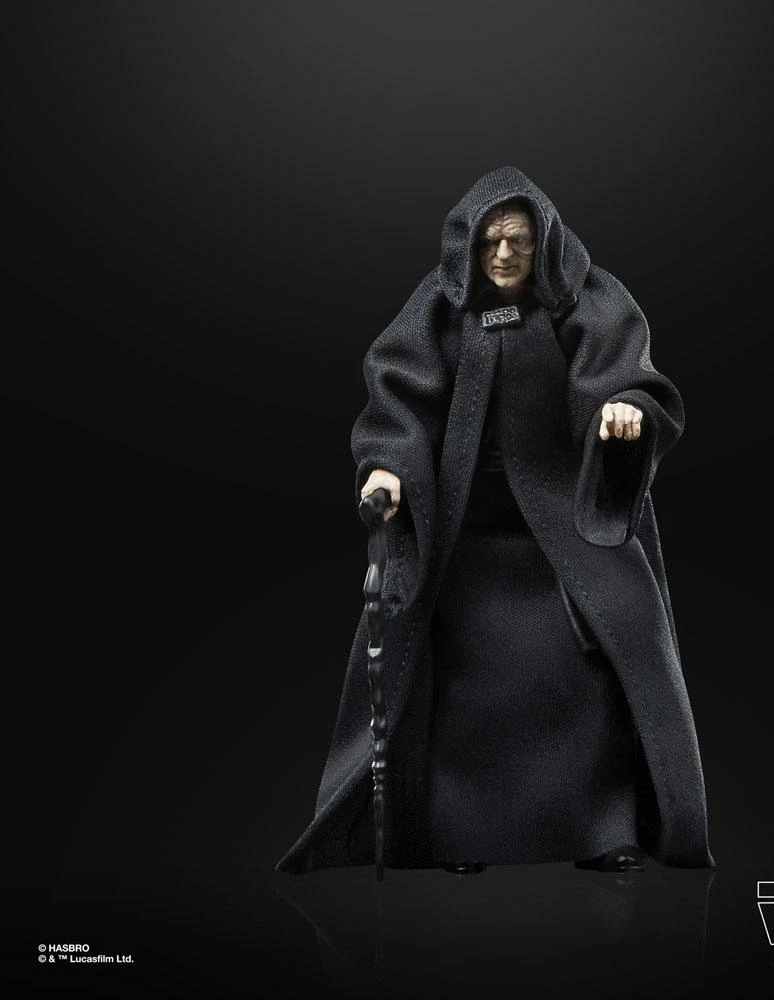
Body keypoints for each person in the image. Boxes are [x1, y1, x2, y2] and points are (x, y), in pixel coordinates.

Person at [277, 166, 713, 876]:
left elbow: (622, 374)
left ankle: (605, 832)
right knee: (457, 686)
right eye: (490, 243)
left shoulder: (588, 302)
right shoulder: (440, 309)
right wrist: (386, 466)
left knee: (594, 677)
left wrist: (622, 411)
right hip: (464, 540)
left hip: (566, 535)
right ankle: (457, 839)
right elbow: (400, 397)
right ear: (468, 247)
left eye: (517, 241)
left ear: (543, 243)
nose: (504, 255)